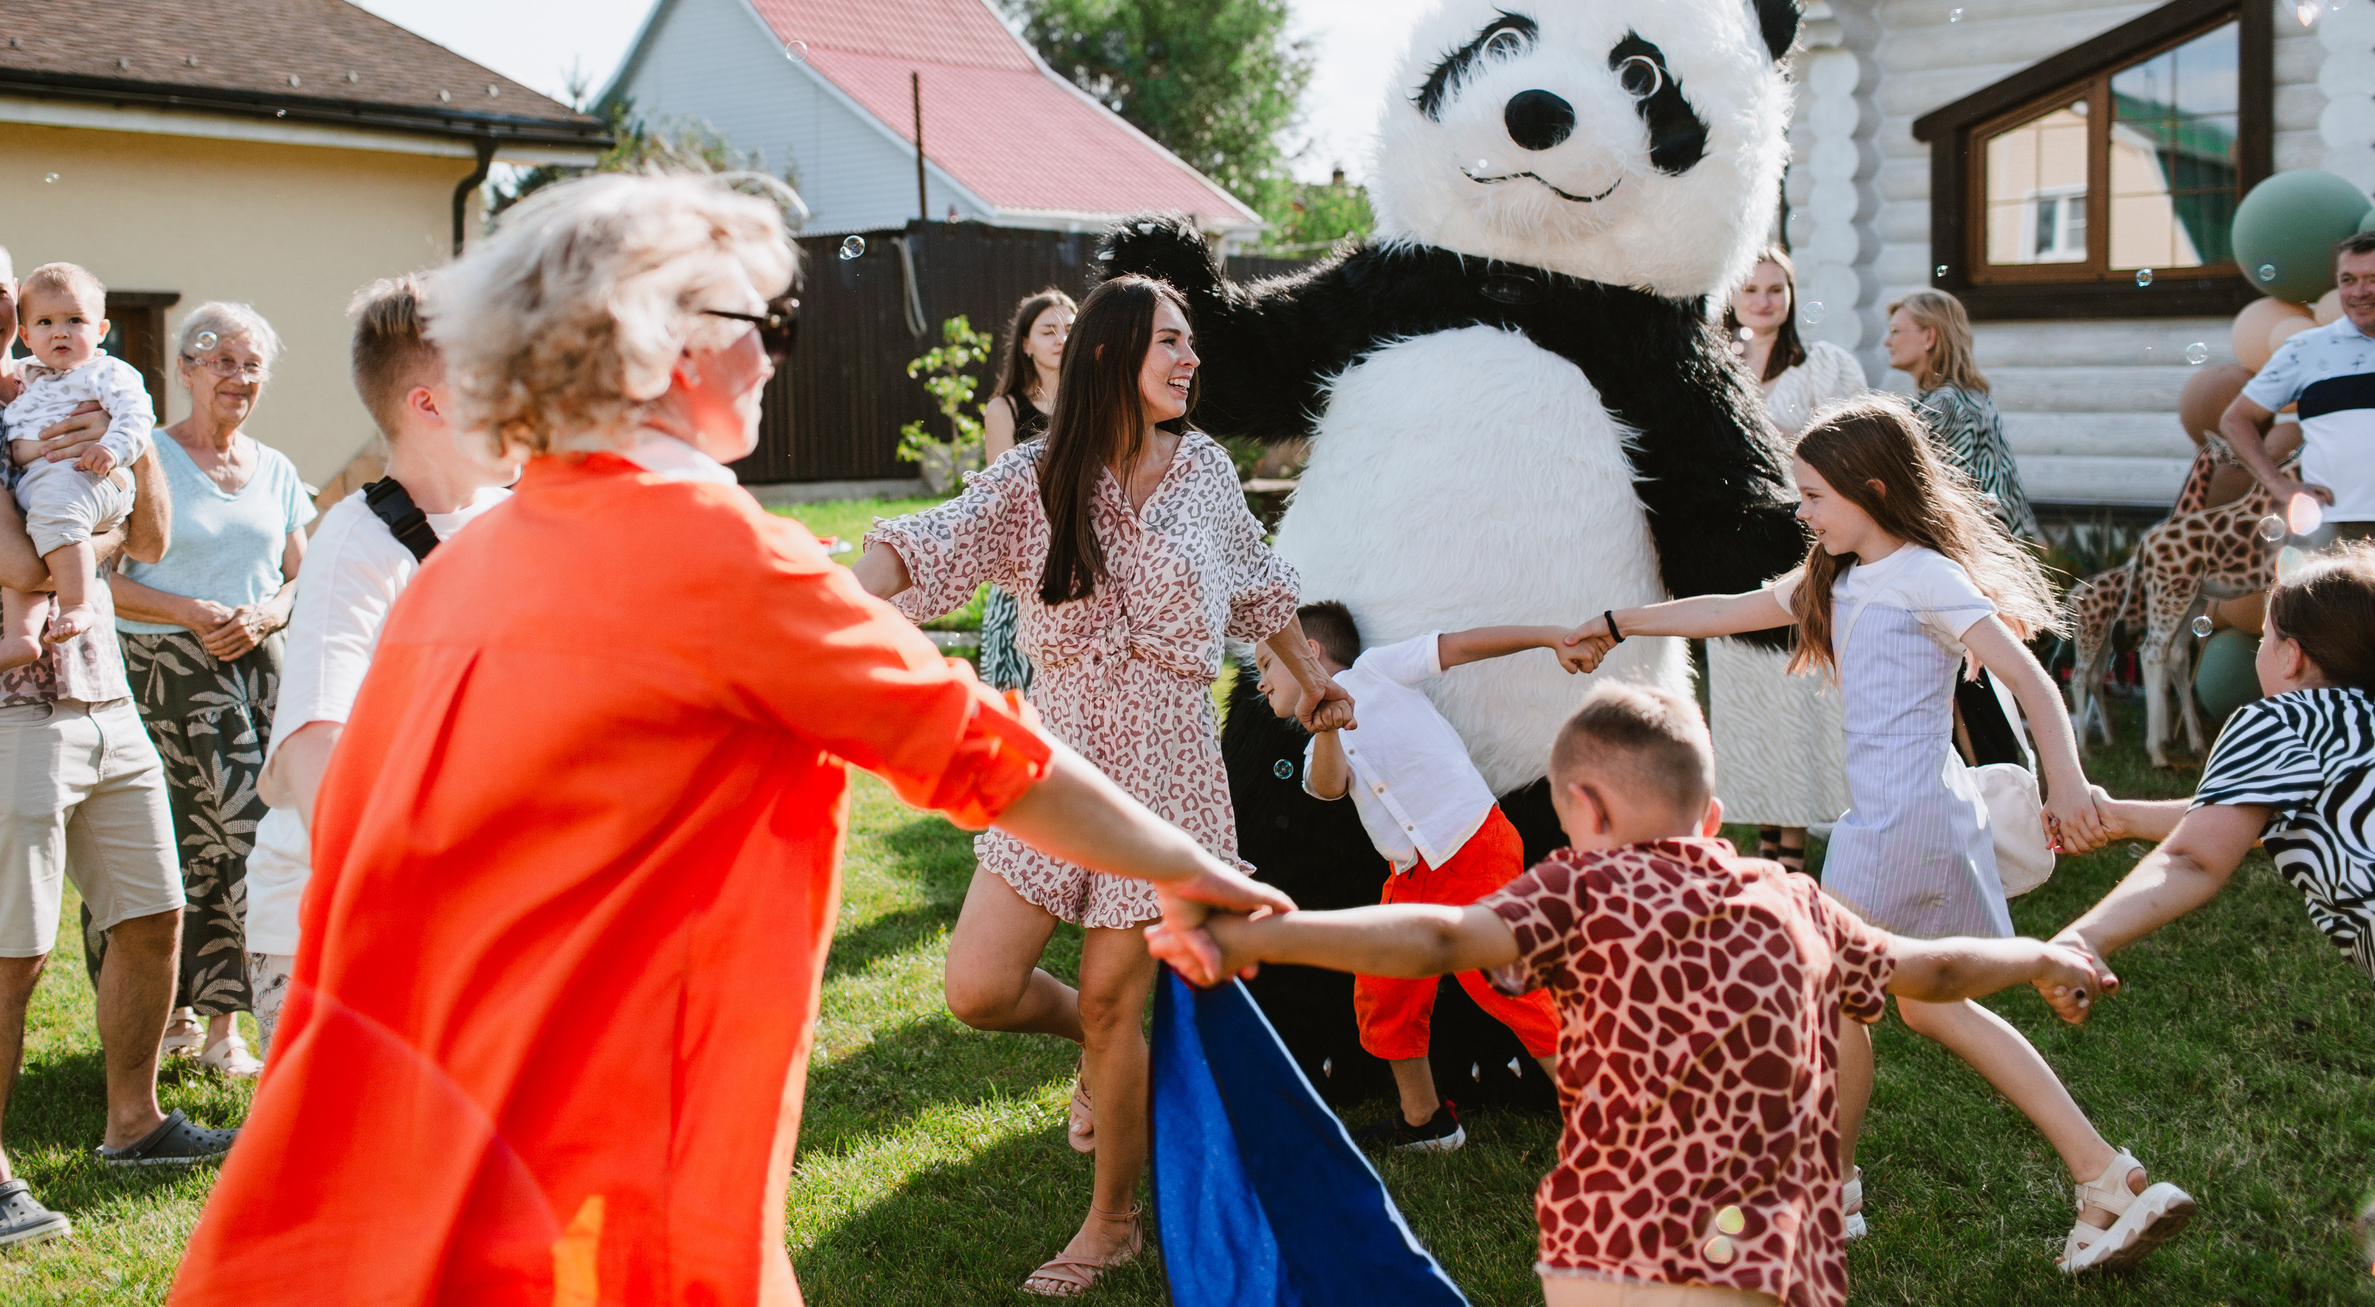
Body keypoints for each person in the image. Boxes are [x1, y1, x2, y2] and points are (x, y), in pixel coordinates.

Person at [166, 174, 1294, 1307]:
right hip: (590, 1180)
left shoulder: (458, 569)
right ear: (674, 345)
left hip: (362, 1175)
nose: (776, 360)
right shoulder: (723, 556)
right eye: (771, 325)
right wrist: (1199, 872)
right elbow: (991, 754)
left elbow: (357, 844)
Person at [1147, 680, 2117, 1307]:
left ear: (1585, 811)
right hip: (1770, 1250)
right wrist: (2037, 957)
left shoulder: (1580, 886)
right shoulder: (1794, 898)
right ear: (1715, 813)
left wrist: (1256, 936)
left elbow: (1438, 937)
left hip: (1614, 1247)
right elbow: (1933, 970)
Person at [1566, 396, 2193, 1274]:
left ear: (1873, 487)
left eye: (1815, 495)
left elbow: (2029, 679)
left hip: (1902, 824)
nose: (1802, 510)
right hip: (1924, 819)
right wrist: (1620, 623)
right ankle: (2106, 1178)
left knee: (1825, 992)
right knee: (1931, 1004)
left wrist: (2068, 780)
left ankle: (1828, 1190)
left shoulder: (1923, 574)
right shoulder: (1846, 574)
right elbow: (1730, 610)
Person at [855, 275, 1353, 1295]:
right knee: (979, 988)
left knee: (1114, 1000)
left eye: (1191, 344)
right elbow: (924, 540)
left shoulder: (1206, 469)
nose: (1188, 360)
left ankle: (1113, 1220)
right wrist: (830, 609)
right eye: (1168, 342)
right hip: (1059, 763)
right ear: (1106, 354)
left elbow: (1259, 588)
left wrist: (1315, 687)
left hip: (1167, 771)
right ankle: (1109, 1052)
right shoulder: (1040, 473)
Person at [0, 226, 232, 1251]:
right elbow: (24, 563)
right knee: (17, 949)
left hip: (100, 694)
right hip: (1, 708)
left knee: (153, 915)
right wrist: (96, 494)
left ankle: (134, 1125)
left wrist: (121, 447)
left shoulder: (71, 378)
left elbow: (159, 538)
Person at [242, 274, 517, 1047]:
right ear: (429, 405)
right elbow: (311, 746)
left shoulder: (512, 519)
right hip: (341, 934)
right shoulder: (355, 543)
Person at [1256, 599, 1591, 1152]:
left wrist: (1550, 634)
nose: (1261, 684)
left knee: (1508, 986)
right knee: (1385, 989)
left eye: (1267, 666)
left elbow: (1460, 644)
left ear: (1308, 653)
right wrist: (1332, 731)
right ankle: (1427, 1122)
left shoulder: (1379, 671)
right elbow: (1330, 785)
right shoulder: (1320, 742)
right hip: (1413, 874)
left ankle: (1607, 1124)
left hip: (1473, 846)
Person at [109, 303, 315, 1079]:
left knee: (249, 842)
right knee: (160, 846)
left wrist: (266, 612)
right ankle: (166, 1016)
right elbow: (104, 577)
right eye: (220, 360)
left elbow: (302, 574)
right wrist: (187, 611)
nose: (238, 376)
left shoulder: (278, 469)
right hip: (162, 679)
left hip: (259, 674)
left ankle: (228, 1026)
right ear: (186, 370)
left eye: (251, 363)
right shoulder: (142, 457)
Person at [2045, 543, 2375, 994]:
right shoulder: (2356, 729)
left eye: (2263, 639)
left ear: (2290, 657)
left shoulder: (2280, 721)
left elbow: (2194, 857)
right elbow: (2245, 817)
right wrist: (2121, 817)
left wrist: (2083, 938)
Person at [1713, 247, 1865, 869]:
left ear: (1791, 295)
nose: (1764, 300)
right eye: (1751, 289)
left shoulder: (1822, 366)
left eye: (1776, 289)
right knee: (1754, 704)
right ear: (1734, 296)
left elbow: (1859, 441)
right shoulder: (1717, 367)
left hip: (1806, 547)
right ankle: (1769, 844)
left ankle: (1794, 859)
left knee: (1801, 699)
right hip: (1738, 550)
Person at [0, 261, 155, 676]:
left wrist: (113, 447)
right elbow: (17, 444)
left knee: (54, 512)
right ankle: (21, 635)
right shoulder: (25, 377)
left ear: (101, 331)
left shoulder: (104, 372)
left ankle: (77, 604)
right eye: (46, 322)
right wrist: (28, 451)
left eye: (75, 320)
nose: (61, 332)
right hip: (45, 478)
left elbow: (137, 415)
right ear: (27, 335)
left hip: (93, 474)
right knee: (18, 536)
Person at [1883, 285, 2037, 768]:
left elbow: (1927, 492)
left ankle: (1994, 797)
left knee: (1969, 694)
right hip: (1997, 561)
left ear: (1928, 337)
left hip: (1966, 565)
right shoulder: (1968, 397)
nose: (1887, 341)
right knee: (1986, 693)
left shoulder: (1943, 405)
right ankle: (2001, 789)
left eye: (1896, 331)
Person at [2223, 232, 2375, 545]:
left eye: (2372, 279)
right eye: (2348, 279)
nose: (2360, 292)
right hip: (2332, 530)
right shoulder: (2307, 348)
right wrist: (2278, 484)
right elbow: (2236, 420)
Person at [976, 287, 1075, 692]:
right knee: (1017, 703)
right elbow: (1005, 498)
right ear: (1025, 344)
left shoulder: (1091, 404)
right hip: (1026, 568)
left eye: (1069, 329)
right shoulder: (1005, 410)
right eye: (1048, 331)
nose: (1061, 339)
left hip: (1082, 561)